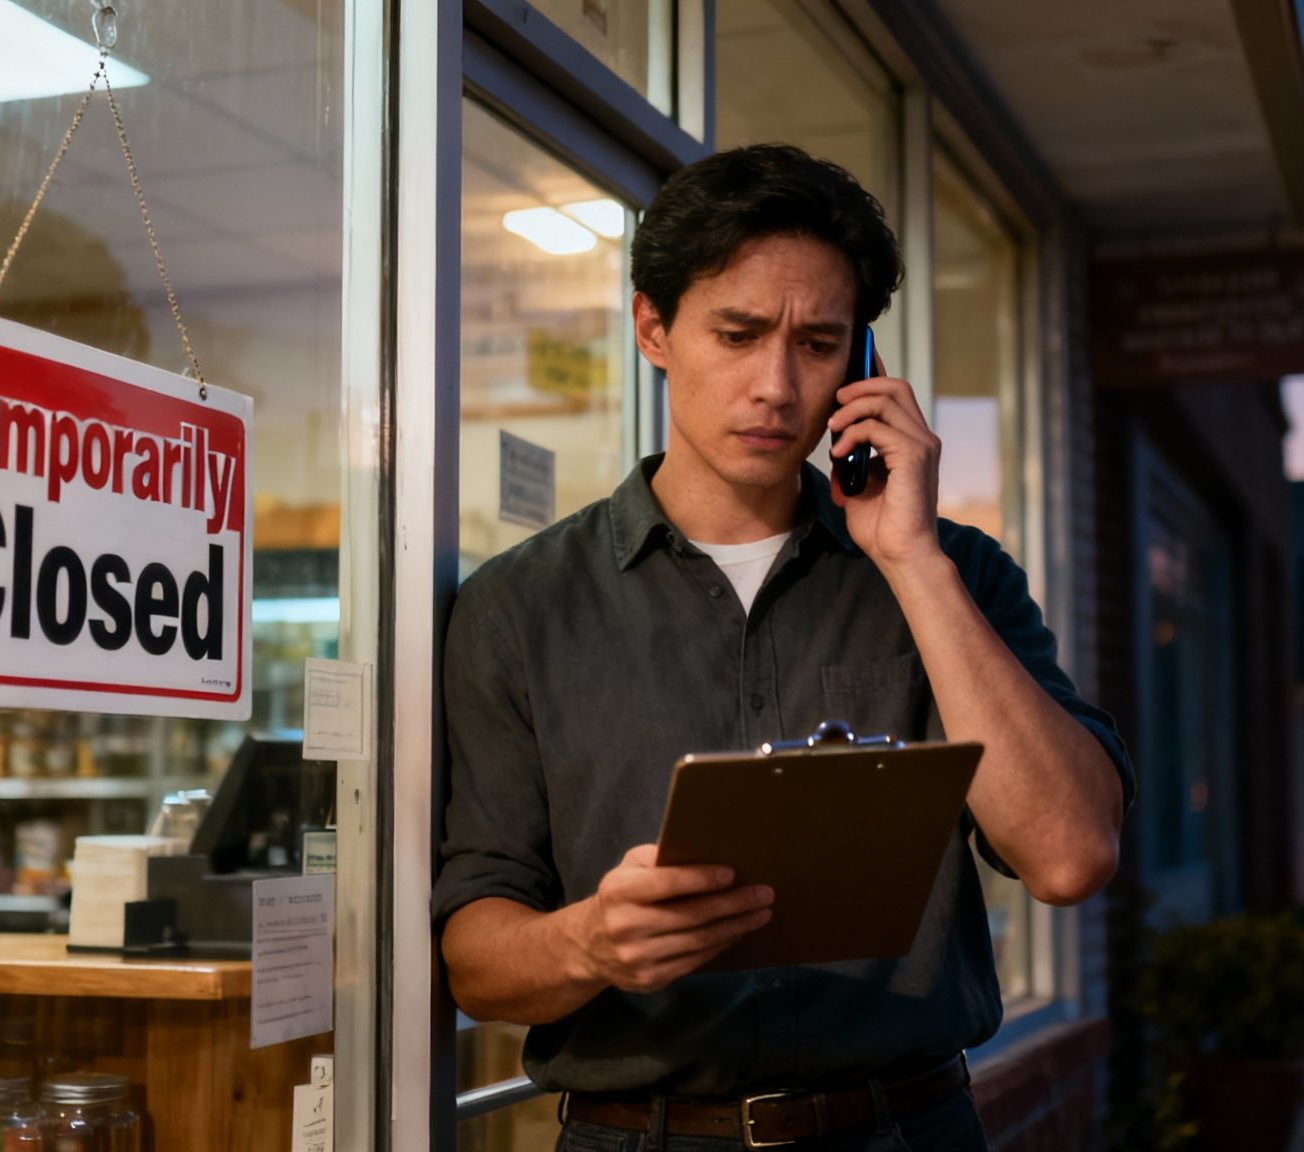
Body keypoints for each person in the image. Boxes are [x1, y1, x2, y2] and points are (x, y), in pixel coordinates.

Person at [434, 143, 1133, 1152]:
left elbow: (1068, 855)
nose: (773, 385)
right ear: (652, 328)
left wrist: (911, 562)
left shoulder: (954, 575)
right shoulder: (519, 607)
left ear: (861, 366)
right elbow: (475, 960)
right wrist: (588, 941)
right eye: (737, 332)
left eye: (816, 343)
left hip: (904, 1129)